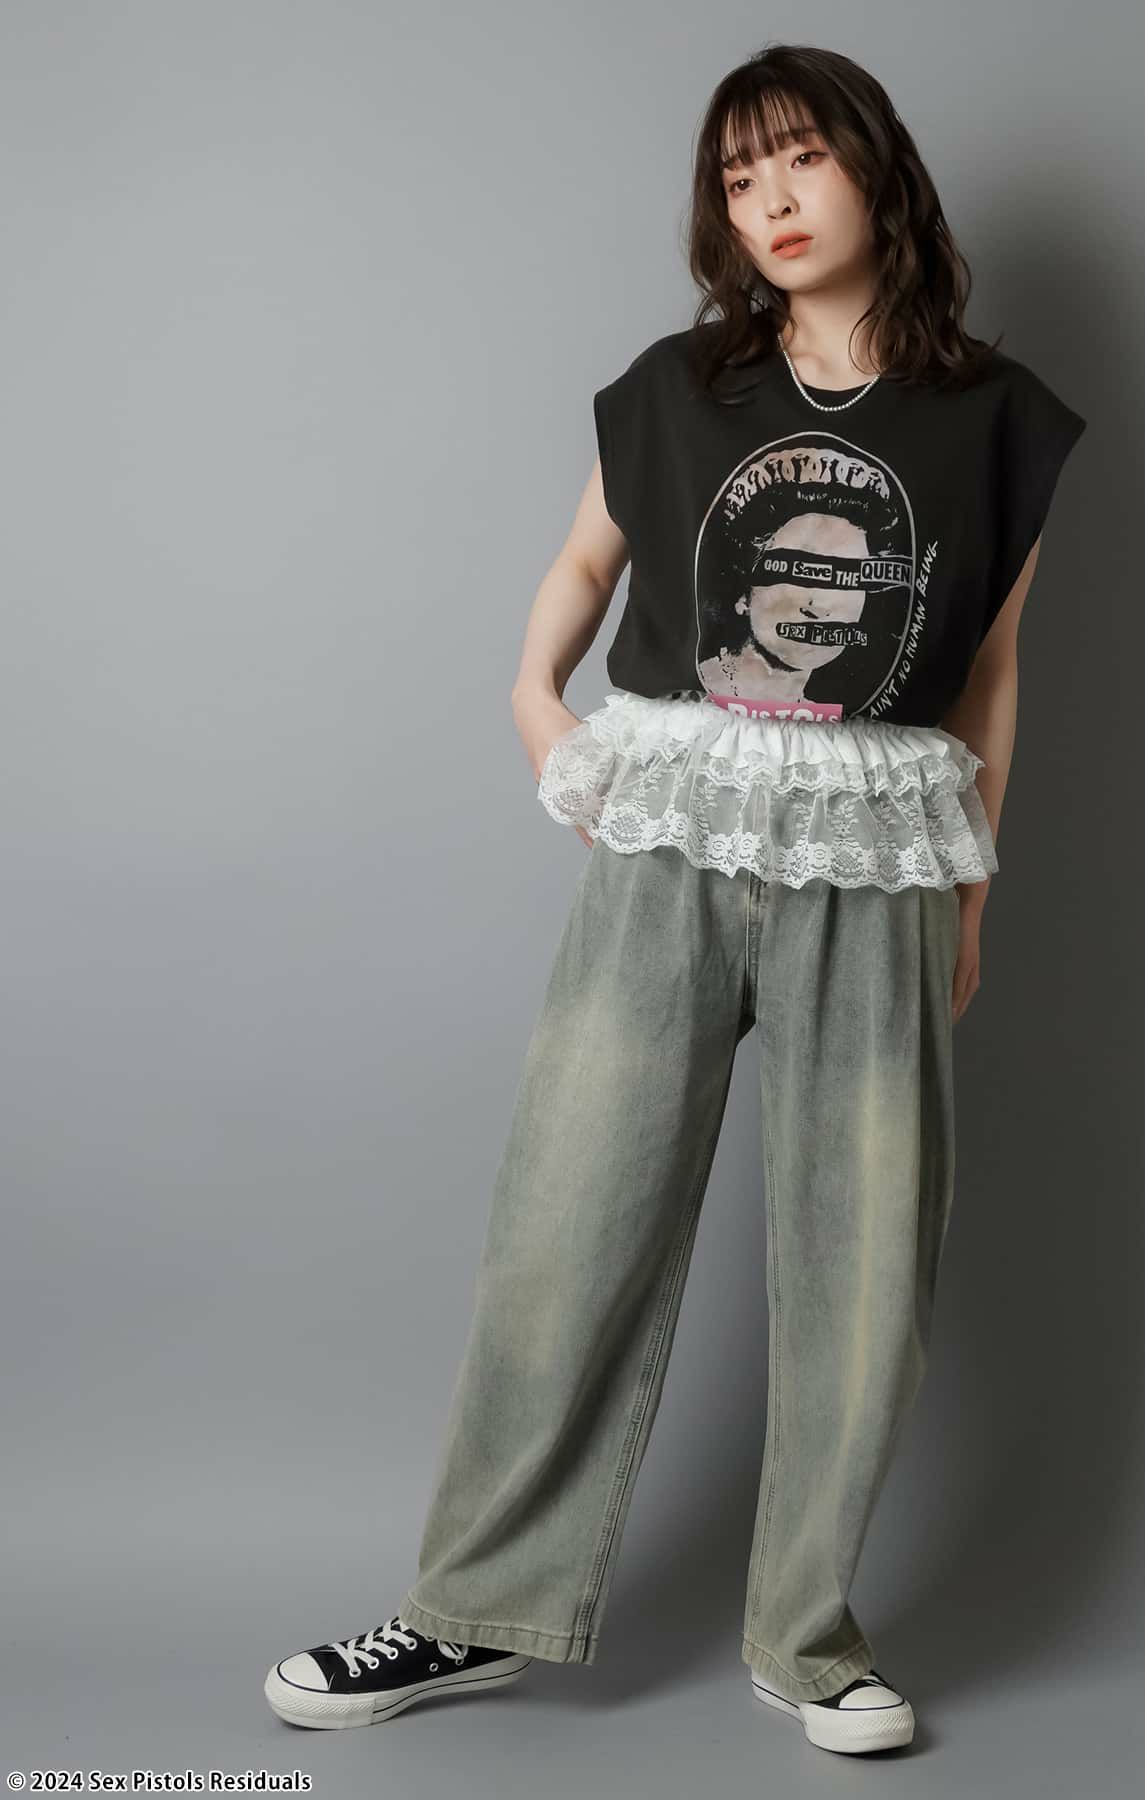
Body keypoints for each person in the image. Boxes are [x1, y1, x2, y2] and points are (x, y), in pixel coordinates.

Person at [264, 43, 1086, 1757]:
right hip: (676, 833)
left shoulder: (996, 418)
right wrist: (534, 707)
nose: (771, 200)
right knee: (572, 1218)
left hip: (878, 855)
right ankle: (469, 1608)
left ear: (876, 169)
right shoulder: (679, 385)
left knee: (865, 1255)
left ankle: (809, 1635)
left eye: (801, 159)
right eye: (737, 175)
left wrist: (973, 891)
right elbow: (584, 567)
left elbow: (993, 670)